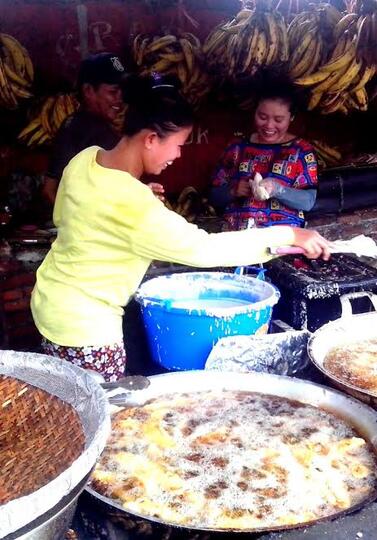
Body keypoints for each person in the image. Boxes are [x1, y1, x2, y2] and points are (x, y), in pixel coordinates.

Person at [31, 73, 330, 381]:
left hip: (50, 304)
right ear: (150, 139)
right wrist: (290, 233)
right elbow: (205, 249)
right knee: (97, 414)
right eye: (177, 145)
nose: (177, 155)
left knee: (70, 399)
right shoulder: (132, 203)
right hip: (86, 329)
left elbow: (64, 217)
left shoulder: (85, 159)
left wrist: (127, 203)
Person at [41, 52, 165, 207]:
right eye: (113, 92)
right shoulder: (74, 129)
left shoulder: (107, 126)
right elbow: (50, 189)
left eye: (122, 91)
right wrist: (77, 221)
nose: (119, 99)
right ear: (88, 91)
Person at [209, 81, 318, 230]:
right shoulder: (236, 148)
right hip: (235, 236)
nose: (269, 126)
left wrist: (279, 190)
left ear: (291, 117)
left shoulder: (301, 151)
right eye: (262, 116)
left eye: (278, 120)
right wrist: (233, 190)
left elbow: (308, 202)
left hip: (280, 239)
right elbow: (213, 196)